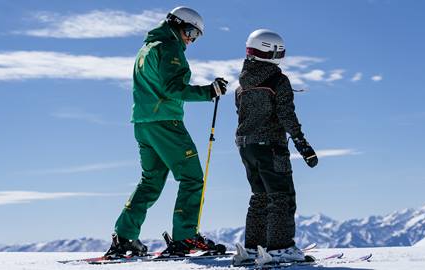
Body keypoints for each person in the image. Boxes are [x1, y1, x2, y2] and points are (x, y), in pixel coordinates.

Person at [104, 6, 228, 258]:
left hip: (143, 124)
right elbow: (173, 88)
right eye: (191, 32)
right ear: (177, 24)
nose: (191, 40)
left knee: (150, 182)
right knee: (192, 178)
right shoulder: (169, 47)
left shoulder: (147, 47)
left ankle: (125, 235)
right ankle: (185, 238)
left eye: (197, 36)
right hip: (165, 123)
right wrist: (209, 91)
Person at [233, 29, 318, 264]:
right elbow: (286, 115)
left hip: (246, 147)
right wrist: (303, 144)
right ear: (273, 52)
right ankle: (280, 248)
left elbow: (241, 115)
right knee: (281, 196)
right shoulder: (277, 81)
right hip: (271, 146)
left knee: (259, 196)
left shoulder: (242, 86)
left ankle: (253, 248)